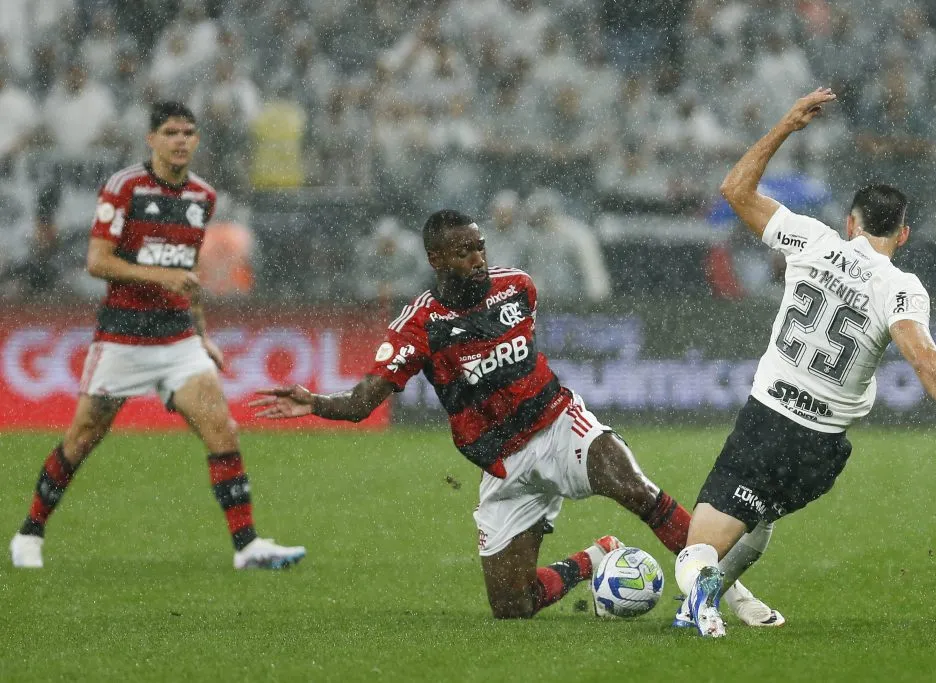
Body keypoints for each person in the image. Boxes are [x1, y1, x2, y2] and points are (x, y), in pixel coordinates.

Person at [251, 209, 780, 622]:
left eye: (479, 246)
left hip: (558, 426)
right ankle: (597, 556)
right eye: (463, 252)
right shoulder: (418, 327)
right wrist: (316, 403)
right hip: (504, 467)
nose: (477, 258)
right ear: (436, 260)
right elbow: (364, 401)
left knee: (640, 492)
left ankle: (727, 593)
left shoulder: (517, 287)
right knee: (513, 606)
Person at [672, 89, 936, 638]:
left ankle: (700, 594)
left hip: (767, 422)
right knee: (758, 523)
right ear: (902, 235)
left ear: (850, 223)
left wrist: (785, 124)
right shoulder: (901, 286)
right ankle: (729, 602)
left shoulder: (811, 239)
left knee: (695, 549)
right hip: (821, 451)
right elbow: (924, 359)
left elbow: (734, 189)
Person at [9, 102, 305, 571]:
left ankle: (247, 546)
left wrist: (203, 336)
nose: (181, 140)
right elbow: (98, 261)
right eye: (170, 132)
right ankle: (30, 532)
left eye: (189, 132)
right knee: (83, 436)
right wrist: (158, 277)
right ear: (151, 139)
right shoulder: (125, 187)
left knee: (222, 430)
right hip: (123, 337)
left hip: (177, 339)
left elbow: (186, 274)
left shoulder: (203, 196)